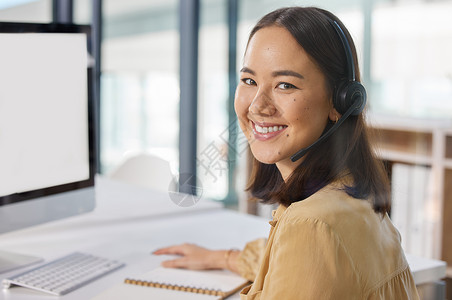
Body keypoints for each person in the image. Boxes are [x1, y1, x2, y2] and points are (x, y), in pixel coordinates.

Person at [153, 6, 420, 299]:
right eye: (249, 81)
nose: (257, 106)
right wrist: (223, 258)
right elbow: (296, 261)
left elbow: (308, 246)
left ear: (340, 102)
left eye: (285, 85)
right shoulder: (353, 199)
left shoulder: (311, 226)